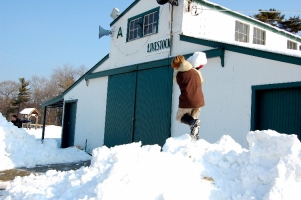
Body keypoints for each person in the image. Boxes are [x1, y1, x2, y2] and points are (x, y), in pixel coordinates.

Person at [171, 55, 205, 140]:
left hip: (187, 100)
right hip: (199, 100)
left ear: (177, 65)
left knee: (179, 117)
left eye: (175, 67)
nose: (175, 69)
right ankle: (195, 137)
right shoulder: (195, 71)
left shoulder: (178, 74)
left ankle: (193, 123)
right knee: (194, 122)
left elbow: (175, 81)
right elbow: (202, 81)